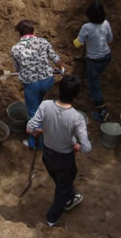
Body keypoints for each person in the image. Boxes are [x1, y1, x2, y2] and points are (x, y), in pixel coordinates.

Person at [26, 74, 91, 228]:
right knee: (62, 187)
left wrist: (39, 131)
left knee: (62, 182)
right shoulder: (77, 118)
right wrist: (77, 145)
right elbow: (87, 148)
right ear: (76, 95)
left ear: (59, 88)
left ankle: (70, 197)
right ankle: (52, 218)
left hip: (48, 156)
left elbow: (30, 127)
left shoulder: (45, 105)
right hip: (64, 160)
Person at [11, 19, 64, 149]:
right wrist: (61, 69)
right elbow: (55, 58)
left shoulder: (15, 49)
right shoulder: (43, 42)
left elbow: (18, 69)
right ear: (33, 31)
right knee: (47, 109)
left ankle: (35, 143)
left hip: (31, 84)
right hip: (47, 81)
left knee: (34, 114)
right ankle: (50, 137)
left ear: (20, 33)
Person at [72, 2, 113, 122]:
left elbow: (78, 43)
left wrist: (75, 40)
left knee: (94, 86)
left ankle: (103, 113)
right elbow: (110, 39)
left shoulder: (86, 27)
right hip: (106, 56)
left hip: (94, 61)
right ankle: (94, 74)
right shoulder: (106, 23)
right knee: (95, 73)